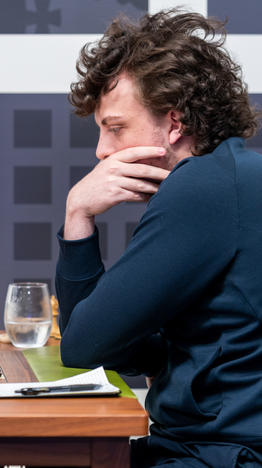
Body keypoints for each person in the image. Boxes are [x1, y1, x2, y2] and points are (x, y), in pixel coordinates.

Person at [55, 9, 261, 467]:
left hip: (216, 456)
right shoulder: (233, 177)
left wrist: (78, 211)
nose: (101, 152)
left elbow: (83, 346)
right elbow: (126, 350)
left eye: (115, 127)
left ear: (173, 123)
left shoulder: (202, 188)